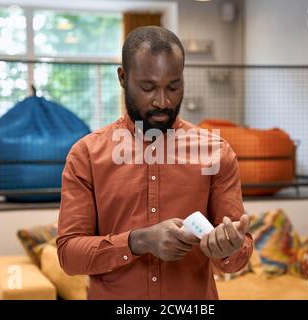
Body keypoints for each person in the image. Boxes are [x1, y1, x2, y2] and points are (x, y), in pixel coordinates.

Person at [57, 26, 253, 300]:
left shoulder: (216, 153)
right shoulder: (86, 155)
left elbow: (237, 255)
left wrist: (228, 249)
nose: (163, 101)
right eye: (148, 87)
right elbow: (69, 255)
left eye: (173, 86)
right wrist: (139, 241)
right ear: (123, 78)